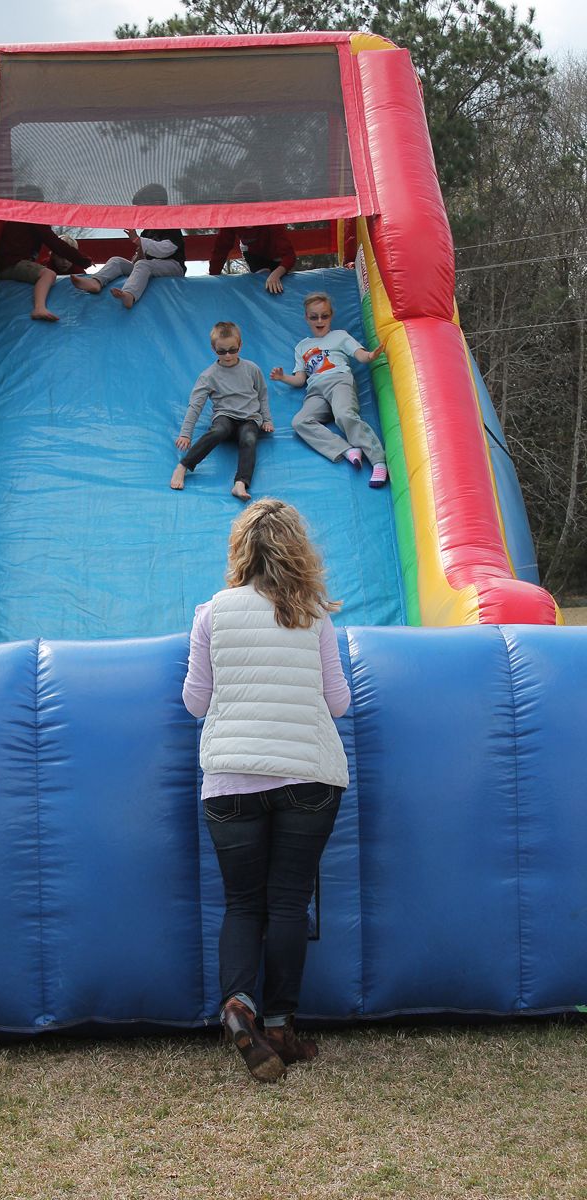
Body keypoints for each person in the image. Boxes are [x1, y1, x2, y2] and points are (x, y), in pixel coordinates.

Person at [182, 498, 351, 1083]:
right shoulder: (312, 614)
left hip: (230, 778)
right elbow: (338, 702)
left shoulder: (212, 613)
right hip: (307, 774)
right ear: (296, 551)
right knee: (286, 902)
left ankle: (237, 1005)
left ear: (241, 551)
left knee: (242, 903)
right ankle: (280, 1025)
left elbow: (195, 703)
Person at [270, 292, 389, 487]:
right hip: (315, 390)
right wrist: (283, 377)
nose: (319, 320)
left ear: (331, 315)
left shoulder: (339, 336)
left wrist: (370, 355)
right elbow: (300, 379)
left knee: (343, 414)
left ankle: (378, 461)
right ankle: (347, 450)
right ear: (306, 318)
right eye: (314, 316)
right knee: (299, 422)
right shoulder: (302, 347)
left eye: (324, 316)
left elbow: (360, 355)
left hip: (339, 381)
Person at [171, 322, 273, 501]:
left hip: (249, 418)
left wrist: (267, 419)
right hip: (225, 417)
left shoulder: (251, 369)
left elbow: (262, 394)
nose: (228, 355)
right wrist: (186, 434)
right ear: (213, 348)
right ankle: (183, 466)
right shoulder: (209, 376)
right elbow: (195, 406)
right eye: (222, 351)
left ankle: (240, 483)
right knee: (219, 430)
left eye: (233, 350)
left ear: (240, 345)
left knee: (249, 438)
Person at [70, 184, 185, 309]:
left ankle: (129, 294)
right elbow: (143, 258)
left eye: (142, 209)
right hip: (151, 266)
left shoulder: (170, 223)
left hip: (173, 266)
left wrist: (138, 241)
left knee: (144, 265)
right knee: (117, 261)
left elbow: (167, 249)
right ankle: (96, 281)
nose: (140, 213)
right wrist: (138, 256)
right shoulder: (148, 231)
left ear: (157, 205)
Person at [0, 188, 92, 322]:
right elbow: (55, 243)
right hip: (12, 264)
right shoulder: (31, 216)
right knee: (48, 274)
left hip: (10, 263)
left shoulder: (18, 216)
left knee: (43, 272)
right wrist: (83, 260)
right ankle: (39, 308)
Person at [208, 180, 296, 295]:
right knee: (260, 277)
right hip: (254, 256)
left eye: (249, 209)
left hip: (276, 257)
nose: (244, 214)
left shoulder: (271, 218)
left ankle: (273, 274)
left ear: (259, 206)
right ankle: (262, 274)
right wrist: (213, 277)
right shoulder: (232, 218)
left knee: (276, 282)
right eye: (240, 208)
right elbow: (220, 250)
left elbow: (290, 256)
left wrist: (277, 273)